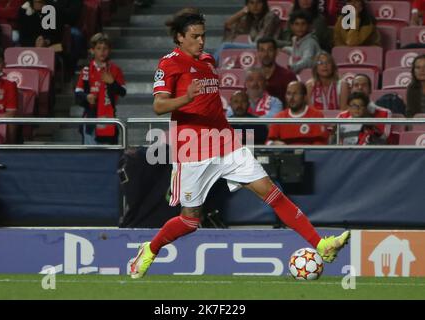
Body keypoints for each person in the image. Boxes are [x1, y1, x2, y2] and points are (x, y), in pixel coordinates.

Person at [129, 9, 350, 279]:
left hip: (226, 143)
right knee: (190, 221)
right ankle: (150, 250)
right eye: (195, 36)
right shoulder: (169, 64)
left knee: (272, 192)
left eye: (203, 35)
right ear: (179, 37)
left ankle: (321, 245)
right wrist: (185, 99)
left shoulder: (209, 60)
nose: (201, 41)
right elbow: (158, 105)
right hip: (193, 149)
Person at [75, 33, 126, 145]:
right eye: (98, 48)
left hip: (109, 119)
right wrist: (87, 97)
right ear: (92, 50)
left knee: (109, 157)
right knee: (89, 158)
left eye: (105, 48)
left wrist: (112, 82)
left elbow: (123, 92)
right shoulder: (86, 70)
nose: (102, 51)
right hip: (90, 119)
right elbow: (77, 93)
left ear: (109, 50)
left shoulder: (115, 69)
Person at [213, 0, 281, 65]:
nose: (255, 6)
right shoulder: (249, 18)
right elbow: (228, 25)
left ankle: (209, 65)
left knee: (225, 45)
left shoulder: (271, 16)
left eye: (259, 2)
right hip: (252, 45)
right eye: (251, 3)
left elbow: (262, 38)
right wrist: (242, 12)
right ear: (247, 5)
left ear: (264, 4)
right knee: (226, 45)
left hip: (265, 46)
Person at [266, 81, 329, 145]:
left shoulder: (316, 115)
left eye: (295, 93)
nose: (291, 97)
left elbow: (321, 143)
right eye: (288, 94)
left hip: (309, 154)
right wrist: (273, 143)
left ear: (304, 97)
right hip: (286, 154)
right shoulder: (279, 117)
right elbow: (269, 141)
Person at [256, 37, 297, 105]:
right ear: (257, 53)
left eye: (270, 50)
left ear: (276, 52)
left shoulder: (288, 76)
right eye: (262, 50)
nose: (266, 54)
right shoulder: (252, 76)